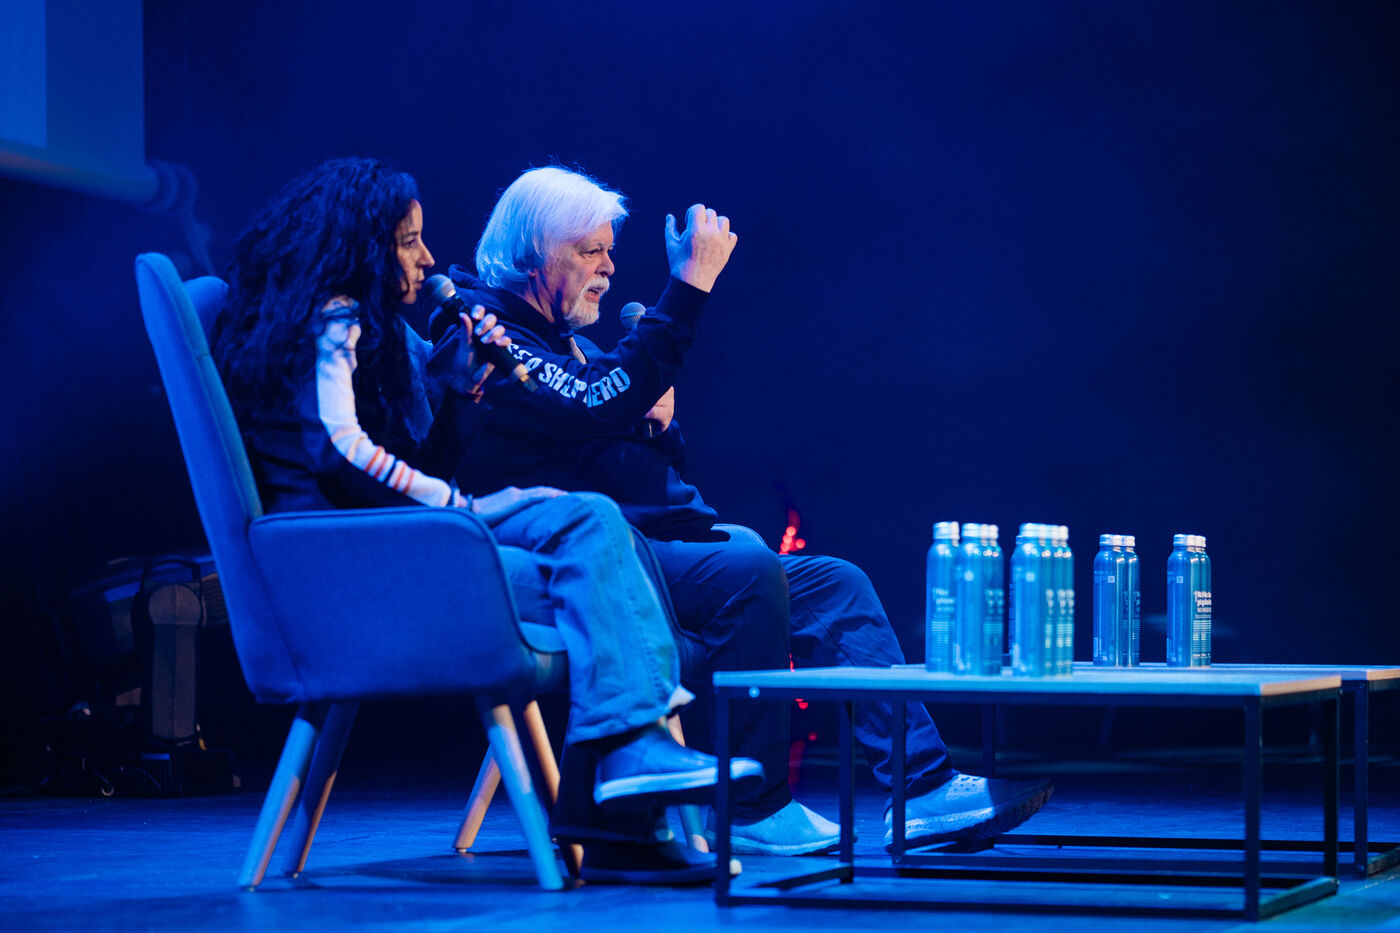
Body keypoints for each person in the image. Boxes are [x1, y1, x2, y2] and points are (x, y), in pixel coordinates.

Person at [428, 165, 1053, 855]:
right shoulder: (486, 334)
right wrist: (688, 287)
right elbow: (594, 405)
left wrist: (658, 425)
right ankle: (752, 806)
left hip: (657, 544)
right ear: (532, 253)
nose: (608, 268)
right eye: (590, 251)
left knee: (837, 583)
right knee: (747, 570)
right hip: (587, 565)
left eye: (610, 250)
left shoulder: (571, 345)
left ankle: (922, 786)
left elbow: (627, 441)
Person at [209, 157, 760, 883]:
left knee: (588, 518)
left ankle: (624, 785)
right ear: (359, 245)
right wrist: (459, 509)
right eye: (409, 241)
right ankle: (619, 792)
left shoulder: (364, 328)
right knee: (594, 541)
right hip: (349, 565)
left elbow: (406, 464)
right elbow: (339, 453)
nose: (428, 258)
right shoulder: (332, 314)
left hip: (393, 542)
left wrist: (462, 394)